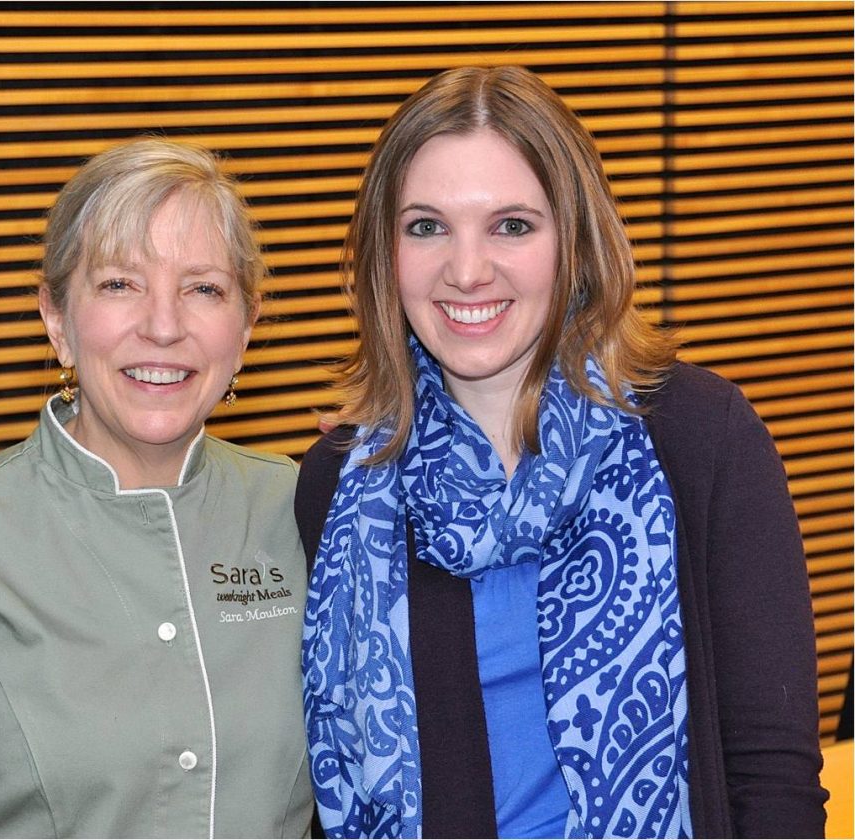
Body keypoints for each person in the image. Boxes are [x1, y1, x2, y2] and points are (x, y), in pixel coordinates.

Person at [297, 66, 826, 839]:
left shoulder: (699, 438)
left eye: (512, 225)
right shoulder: (338, 484)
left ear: (574, 240)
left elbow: (772, 779)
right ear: (384, 254)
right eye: (426, 226)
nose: (467, 269)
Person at [0, 138, 313, 838]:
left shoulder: (303, 511)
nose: (163, 325)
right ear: (56, 319)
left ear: (246, 329)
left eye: (203, 288)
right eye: (120, 283)